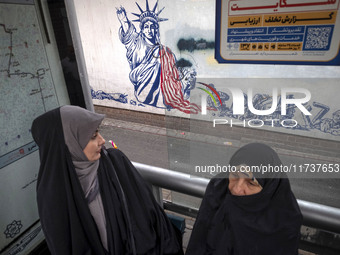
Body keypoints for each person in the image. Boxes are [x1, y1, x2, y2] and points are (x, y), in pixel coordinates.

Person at [31, 105, 183, 255]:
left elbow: (151, 216)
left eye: (98, 132)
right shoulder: (52, 197)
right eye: (92, 136)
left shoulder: (115, 163)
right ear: (69, 145)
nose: (102, 140)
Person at [186, 143, 303, 255]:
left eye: (251, 183)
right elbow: (199, 240)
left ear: (269, 188)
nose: (237, 189)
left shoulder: (284, 219)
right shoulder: (218, 190)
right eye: (235, 176)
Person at [116, 1, 200, 114]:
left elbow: (174, 69)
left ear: (156, 29)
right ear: (142, 29)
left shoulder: (164, 50)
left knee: (166, 55)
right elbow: (128, 33)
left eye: (152, 27)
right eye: (146, 27)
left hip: (164, 85)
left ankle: (176, 92)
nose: (149, 30)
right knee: (159, 58)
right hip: (142, 84)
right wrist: (124, 21)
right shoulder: (135, 42)